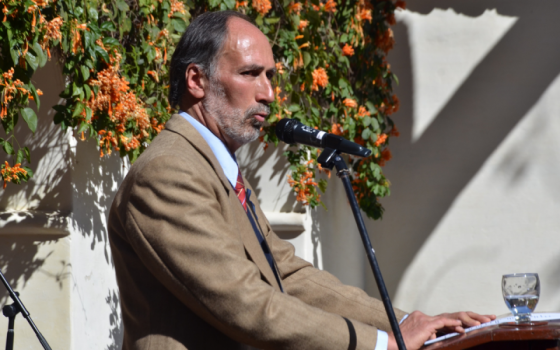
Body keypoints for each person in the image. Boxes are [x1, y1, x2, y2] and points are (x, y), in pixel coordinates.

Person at [108, 10, 495, 350]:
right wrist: (384, 344)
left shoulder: (213, 166)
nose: (268, 93)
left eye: (271, 76)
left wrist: (407, 325)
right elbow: (244, 302)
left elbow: (288, 277)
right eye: (250, 74)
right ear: (196, 80)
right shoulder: (168, 172)